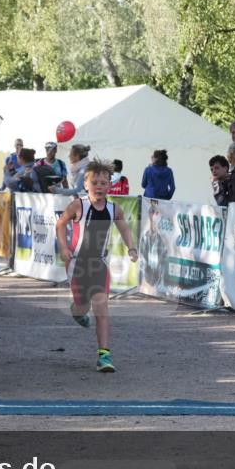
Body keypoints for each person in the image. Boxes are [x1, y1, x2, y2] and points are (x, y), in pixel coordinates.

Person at [55, 158, 138, 373]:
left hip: (99, 264)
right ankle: (77, 311)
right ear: (86, 184)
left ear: (110, 185)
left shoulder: (114, 209)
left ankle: (104, 356)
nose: (99, 187)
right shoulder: (78, 205)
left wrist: (131, 248)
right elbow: (60, 224)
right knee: (83, 306)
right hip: (77, 264)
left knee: (101, 306)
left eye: (103, 183)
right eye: (95, 183)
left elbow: (124, 228)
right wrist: (63, 248)